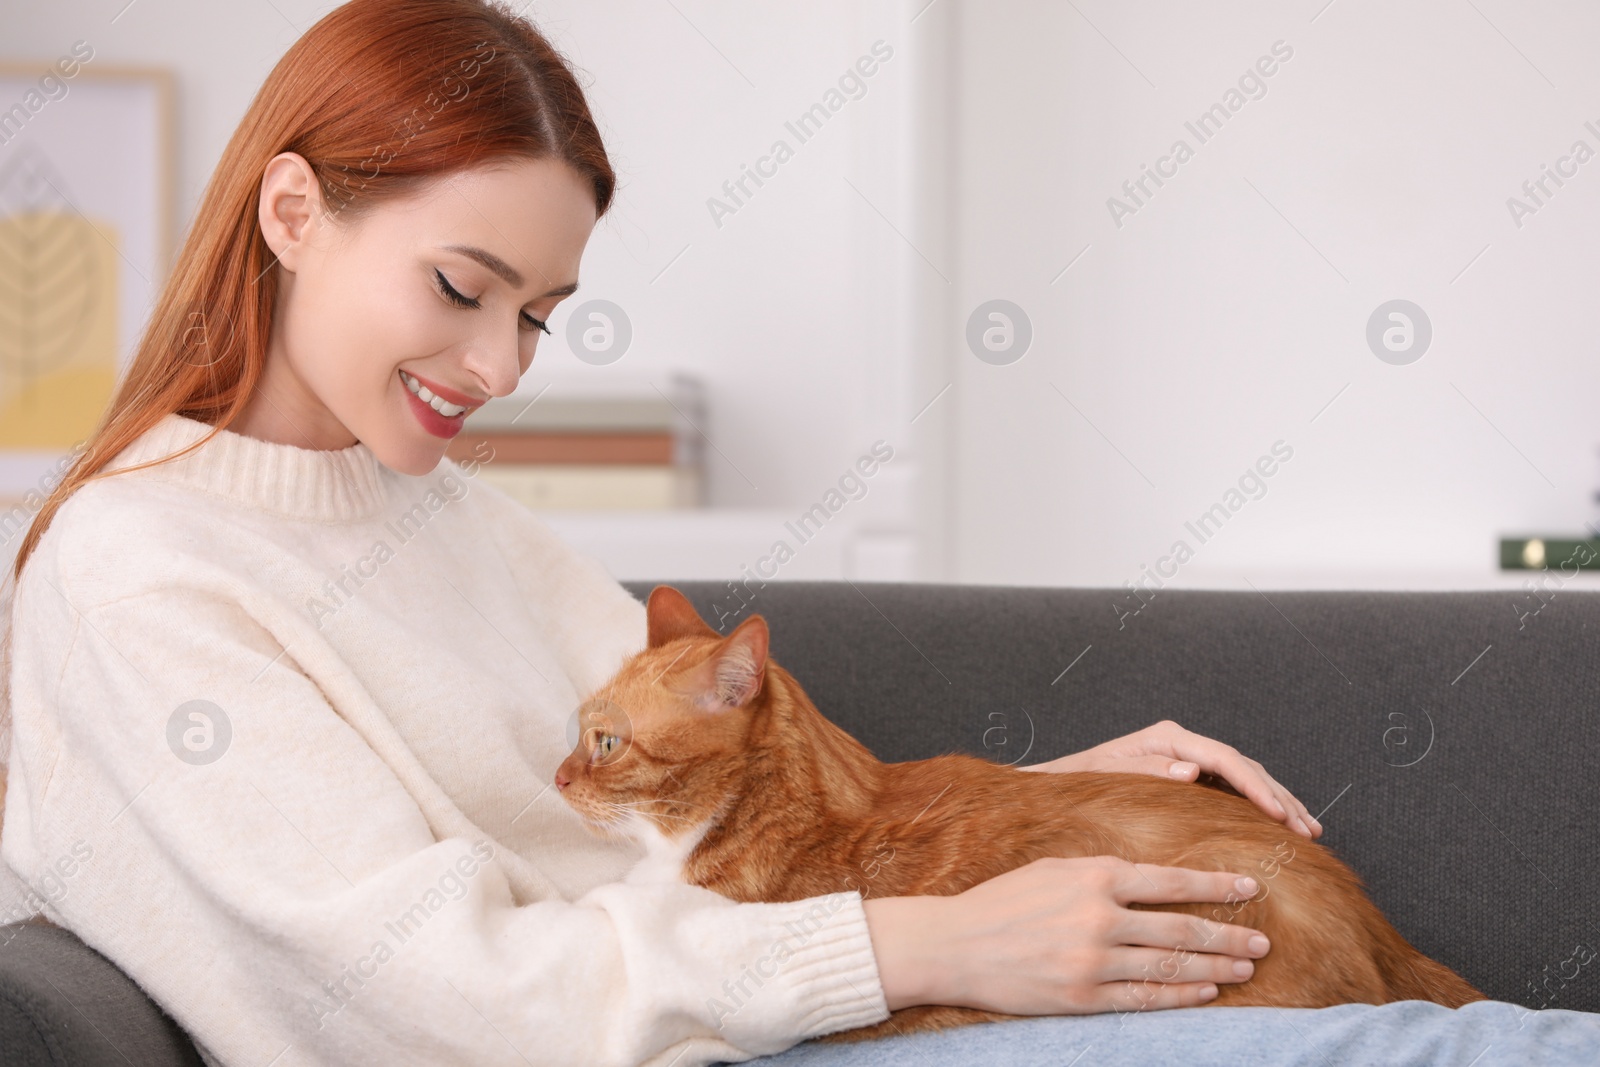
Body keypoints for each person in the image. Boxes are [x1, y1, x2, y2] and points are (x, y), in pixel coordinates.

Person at [0, 2, 1593, 1064]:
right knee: (1439, 1053)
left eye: (542, 316)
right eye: (459, 287)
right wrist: (916, 947)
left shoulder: (434, 507)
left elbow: (722, 796)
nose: (496, 368)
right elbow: (427, 1000)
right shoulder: (141, 572)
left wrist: (1036, 810)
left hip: (775, 1013)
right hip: (727, 1047)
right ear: (291, 215)